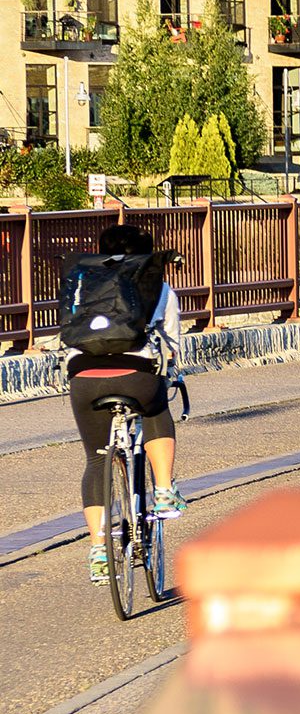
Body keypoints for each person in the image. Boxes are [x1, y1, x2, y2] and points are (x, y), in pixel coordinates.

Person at [67, 225, 184, 585]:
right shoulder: (159, 288)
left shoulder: (83, 284)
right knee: (157, 408)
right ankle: (163, 492)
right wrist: (173, 372)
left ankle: (100, 549)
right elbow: (173, 346)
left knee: (96, 458)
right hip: (137, 374)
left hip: (83, 375)